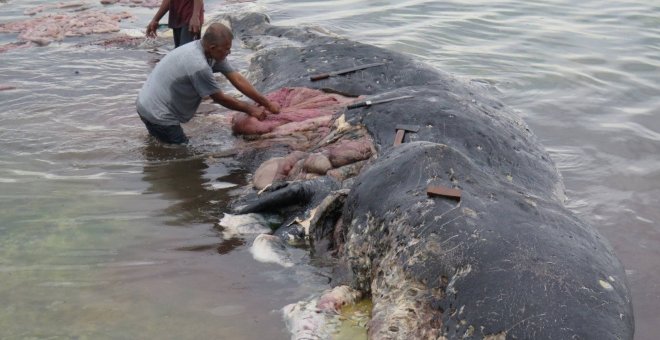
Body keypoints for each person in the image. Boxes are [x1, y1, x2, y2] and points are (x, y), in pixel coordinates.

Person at [136, 23, 281, 144]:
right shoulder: (198, 65)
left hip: (146, 103)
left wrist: (266, 103)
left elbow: (237, 79)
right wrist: (250, 109)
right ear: (212, 47)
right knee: (184, 154)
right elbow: (219, 98)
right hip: (158, 112)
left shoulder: (209, 52)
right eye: (226, 49)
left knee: (159, 145)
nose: (229, 52)